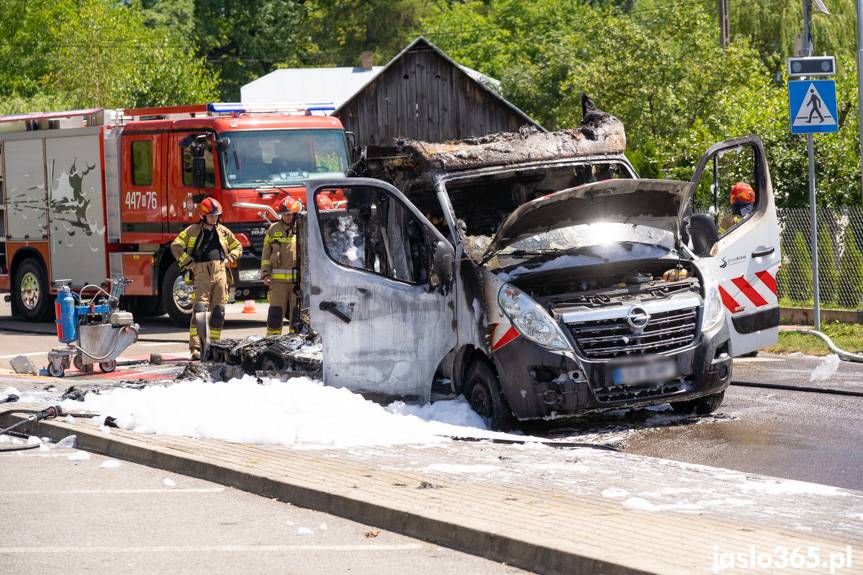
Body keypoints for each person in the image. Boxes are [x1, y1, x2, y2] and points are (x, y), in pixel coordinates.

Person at [171, 198, 243, 360]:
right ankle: (196, 348)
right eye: (211, 216)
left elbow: (238, 246)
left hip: (220, 273)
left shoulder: (223, 231)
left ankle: (215, 345)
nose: (214, 218)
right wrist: (190, 263)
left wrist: (230, 258)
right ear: (203, 216)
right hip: (202, 273)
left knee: (218, 311)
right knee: (200, 311)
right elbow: (175, 246)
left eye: (216, 215)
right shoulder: (192, 230)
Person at [262, 196, 301, 337]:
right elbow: (266, 255)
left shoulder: (302, 228)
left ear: (295, 214)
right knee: (275, 314)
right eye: (284, 214)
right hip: (278, 283)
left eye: (289, 214)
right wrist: (266, 274)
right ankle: (272, 342)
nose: (287, 217)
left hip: (298, 282)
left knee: (297, 315)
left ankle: (296, 341)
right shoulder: (273, 229)